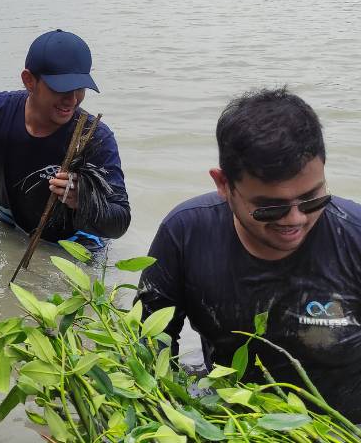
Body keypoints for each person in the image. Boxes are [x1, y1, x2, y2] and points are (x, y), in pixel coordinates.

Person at [136, 88, 361, 421]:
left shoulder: (354, 237)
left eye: (312, 198)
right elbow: (148, 350)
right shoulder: (185, 234)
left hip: (343, 425)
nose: (295, 219)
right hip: (236, 423)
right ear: (224, 184)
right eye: (271, 207)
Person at [0, 29, 130, 246]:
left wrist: (82, 201)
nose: (72, 100)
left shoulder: (95, 137)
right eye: (61, 89)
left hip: (76, 242)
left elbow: (120, 220)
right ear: (29, 80)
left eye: (80, 89)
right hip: (11, 226)